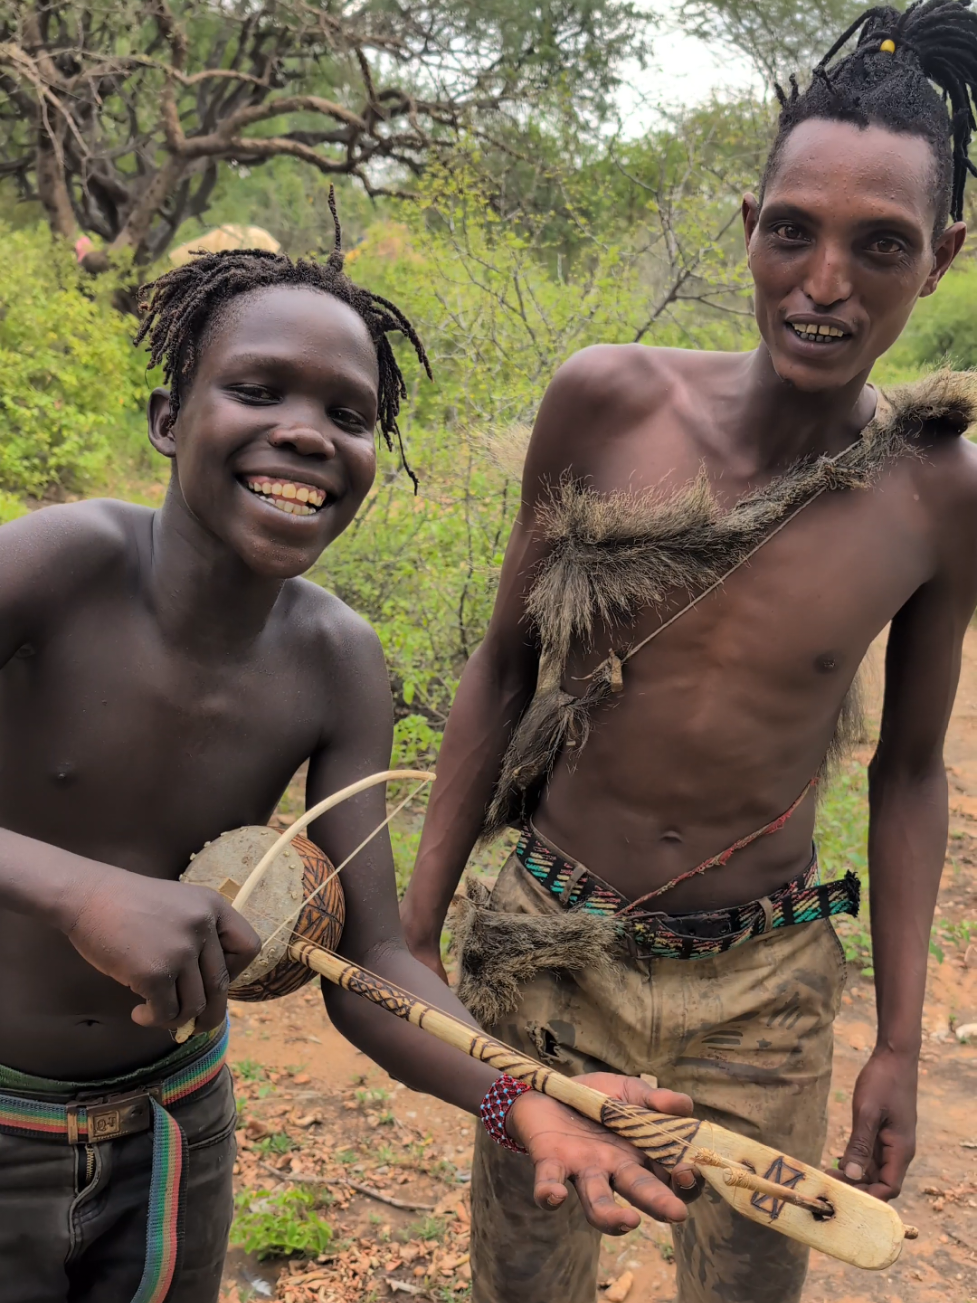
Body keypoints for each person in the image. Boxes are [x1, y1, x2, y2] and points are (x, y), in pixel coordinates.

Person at [0, 203, 698, 1303]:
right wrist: (80, 891)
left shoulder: (335, 660)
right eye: (258, 389)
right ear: (168, 416)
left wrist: (526, 1098)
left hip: (172, 1127)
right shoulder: (57, 566)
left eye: (349, 411)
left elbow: (373, 961)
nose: (308, 431)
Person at [400, 4, 977, 1300]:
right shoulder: (607, 402)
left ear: (940, 257)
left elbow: (909, 767)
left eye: (878, 245)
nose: (824, 284)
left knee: (745, 1282)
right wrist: (414, 929)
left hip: (762, 988)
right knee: (529, 1272)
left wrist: (895, 1039)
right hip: (552, 946)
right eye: (792, 231)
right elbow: (503, 666)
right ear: (747, 227)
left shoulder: (937, 493)